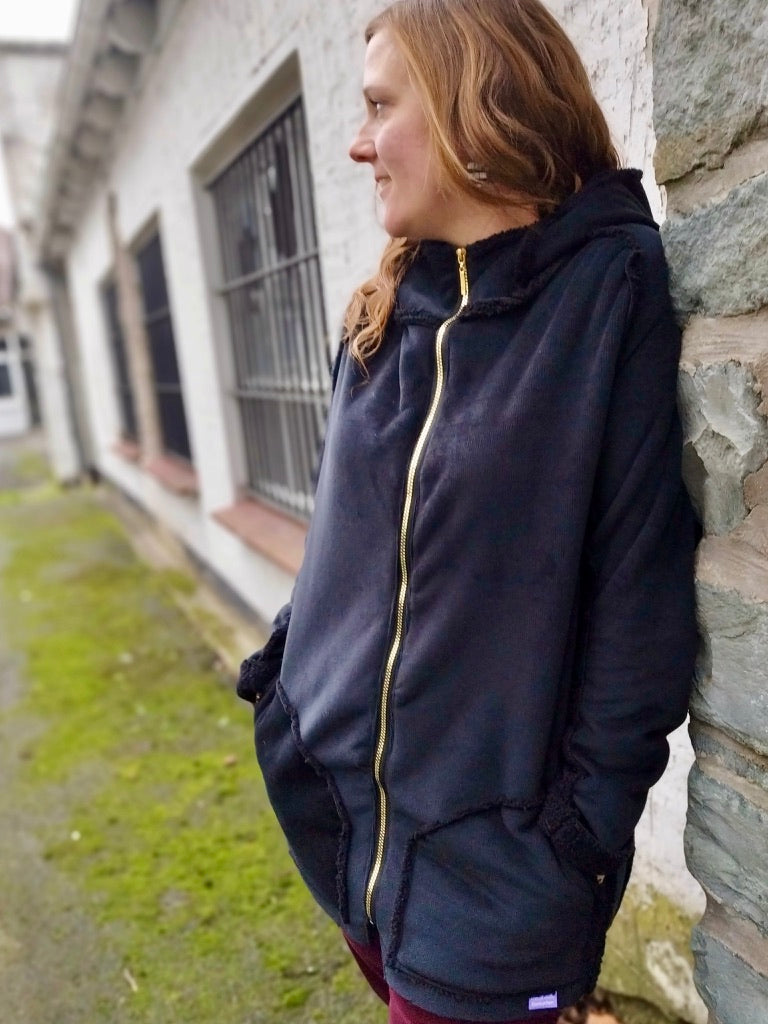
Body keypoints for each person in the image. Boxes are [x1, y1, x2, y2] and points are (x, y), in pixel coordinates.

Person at [237, 1, 699, 1022]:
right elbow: (344, 544)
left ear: (473, 102)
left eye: (380, 106)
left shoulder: (609, 296)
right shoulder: (378, 313)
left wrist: (574, 841)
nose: (357, 143)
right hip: (340, 831)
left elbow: (641, 612)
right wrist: (285, 683)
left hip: (497, 887)